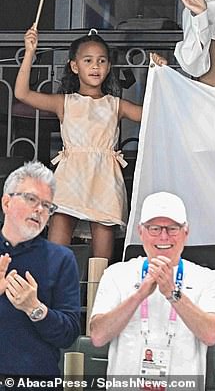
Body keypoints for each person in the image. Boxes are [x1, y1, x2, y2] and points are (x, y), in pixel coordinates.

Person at [15, 28, 145, 261]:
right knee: (55, 252)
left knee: (101, 259)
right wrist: (29, 52)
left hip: (105, 180)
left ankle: (97, 295)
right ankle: (51, 296)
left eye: (101, 61)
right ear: (74, 66)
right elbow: (22, 93)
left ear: (108, 67)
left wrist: (160, 73)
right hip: (70, 178)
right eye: (88, 61)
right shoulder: (64, 102)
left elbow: (153, 113)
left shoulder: (117, 105)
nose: (95, 66)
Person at [90, 192, 215, 380]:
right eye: (154, 228)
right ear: (141, 232)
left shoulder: (208, 278)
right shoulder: (116, 274)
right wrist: (138, 295)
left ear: (186, 232)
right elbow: (98, 336)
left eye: (172, 228)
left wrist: (173, 293)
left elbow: (211, 335)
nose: (163, 236)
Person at [0, 161, 80, 377]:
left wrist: (35, 308)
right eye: (31, 199)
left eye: (47, 206)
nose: (39, 210)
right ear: (6, 202)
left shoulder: (61, 259)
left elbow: (69, 334)